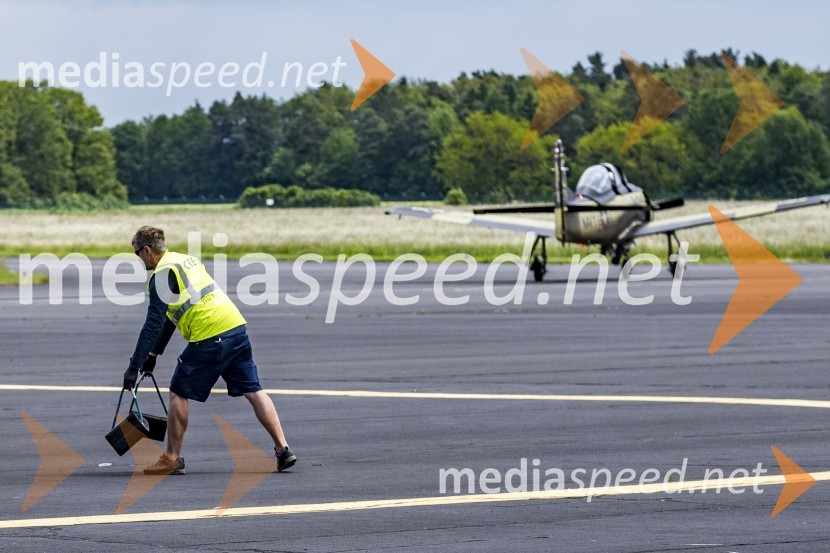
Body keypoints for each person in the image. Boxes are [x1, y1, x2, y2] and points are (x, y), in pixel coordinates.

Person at [123, 226, 296, 475]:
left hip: (209, 335)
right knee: (254, 390)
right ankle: (283, 449)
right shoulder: (185, 260)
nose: (139, 259)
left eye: (138, 253)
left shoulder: (161, 274)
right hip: (235, 327)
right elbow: (172, 317)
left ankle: (172, 458)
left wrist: (133, 366)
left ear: (147, 250)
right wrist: (152, 356)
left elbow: (153, 323)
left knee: (178, 392)